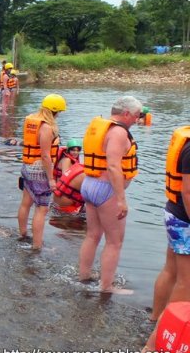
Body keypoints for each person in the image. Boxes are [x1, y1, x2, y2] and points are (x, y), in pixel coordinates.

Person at [77, 96, 142, 292]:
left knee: (92, 235)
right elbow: (113, 166)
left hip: (89, 184)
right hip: (106, 190)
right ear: (126, 114)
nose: (137, 120)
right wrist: (121, 200)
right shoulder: (119, 132)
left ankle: (84, 276)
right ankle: (106, 287)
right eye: (136, 116)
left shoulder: (101, 126)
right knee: (114, 242)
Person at [144, 126, 190, 351]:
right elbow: (189, 191)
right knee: (186, 283)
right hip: (185, 220)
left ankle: (154, 319)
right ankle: (157, 339)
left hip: (174, 214)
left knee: (170, 270)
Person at [16, 94, 67, 249]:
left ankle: (23, 234)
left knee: (26, 202)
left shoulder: (31, 119)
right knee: (42, 208)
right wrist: (51, 179)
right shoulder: (46, 127)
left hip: (27, 166)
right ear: (55, 111)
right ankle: (37, 246)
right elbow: (45, 156)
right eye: (59, 112)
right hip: (39, 170)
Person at [52, 139, 85, 215]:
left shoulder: (69, 159)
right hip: (61, 191)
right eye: (73, 150)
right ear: (68, 150)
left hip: (60, 191)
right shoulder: (67, 160)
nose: (75, 152)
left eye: (77, 150)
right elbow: (65, 175)